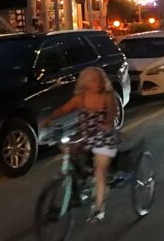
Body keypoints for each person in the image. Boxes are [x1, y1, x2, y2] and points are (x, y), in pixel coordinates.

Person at [41, 67, 120, 222]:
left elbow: (112, 113)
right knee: (71, 155)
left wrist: (108, 124)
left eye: (98, 78)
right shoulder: (81, 98)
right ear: (84, 83)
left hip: (104, 137)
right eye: (92, 80)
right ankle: (78, 186)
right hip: (85, 136)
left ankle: (99, 208)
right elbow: (64, 109)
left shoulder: (107, 96)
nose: (96, 82)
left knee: (100, 171)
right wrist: (50, 118)